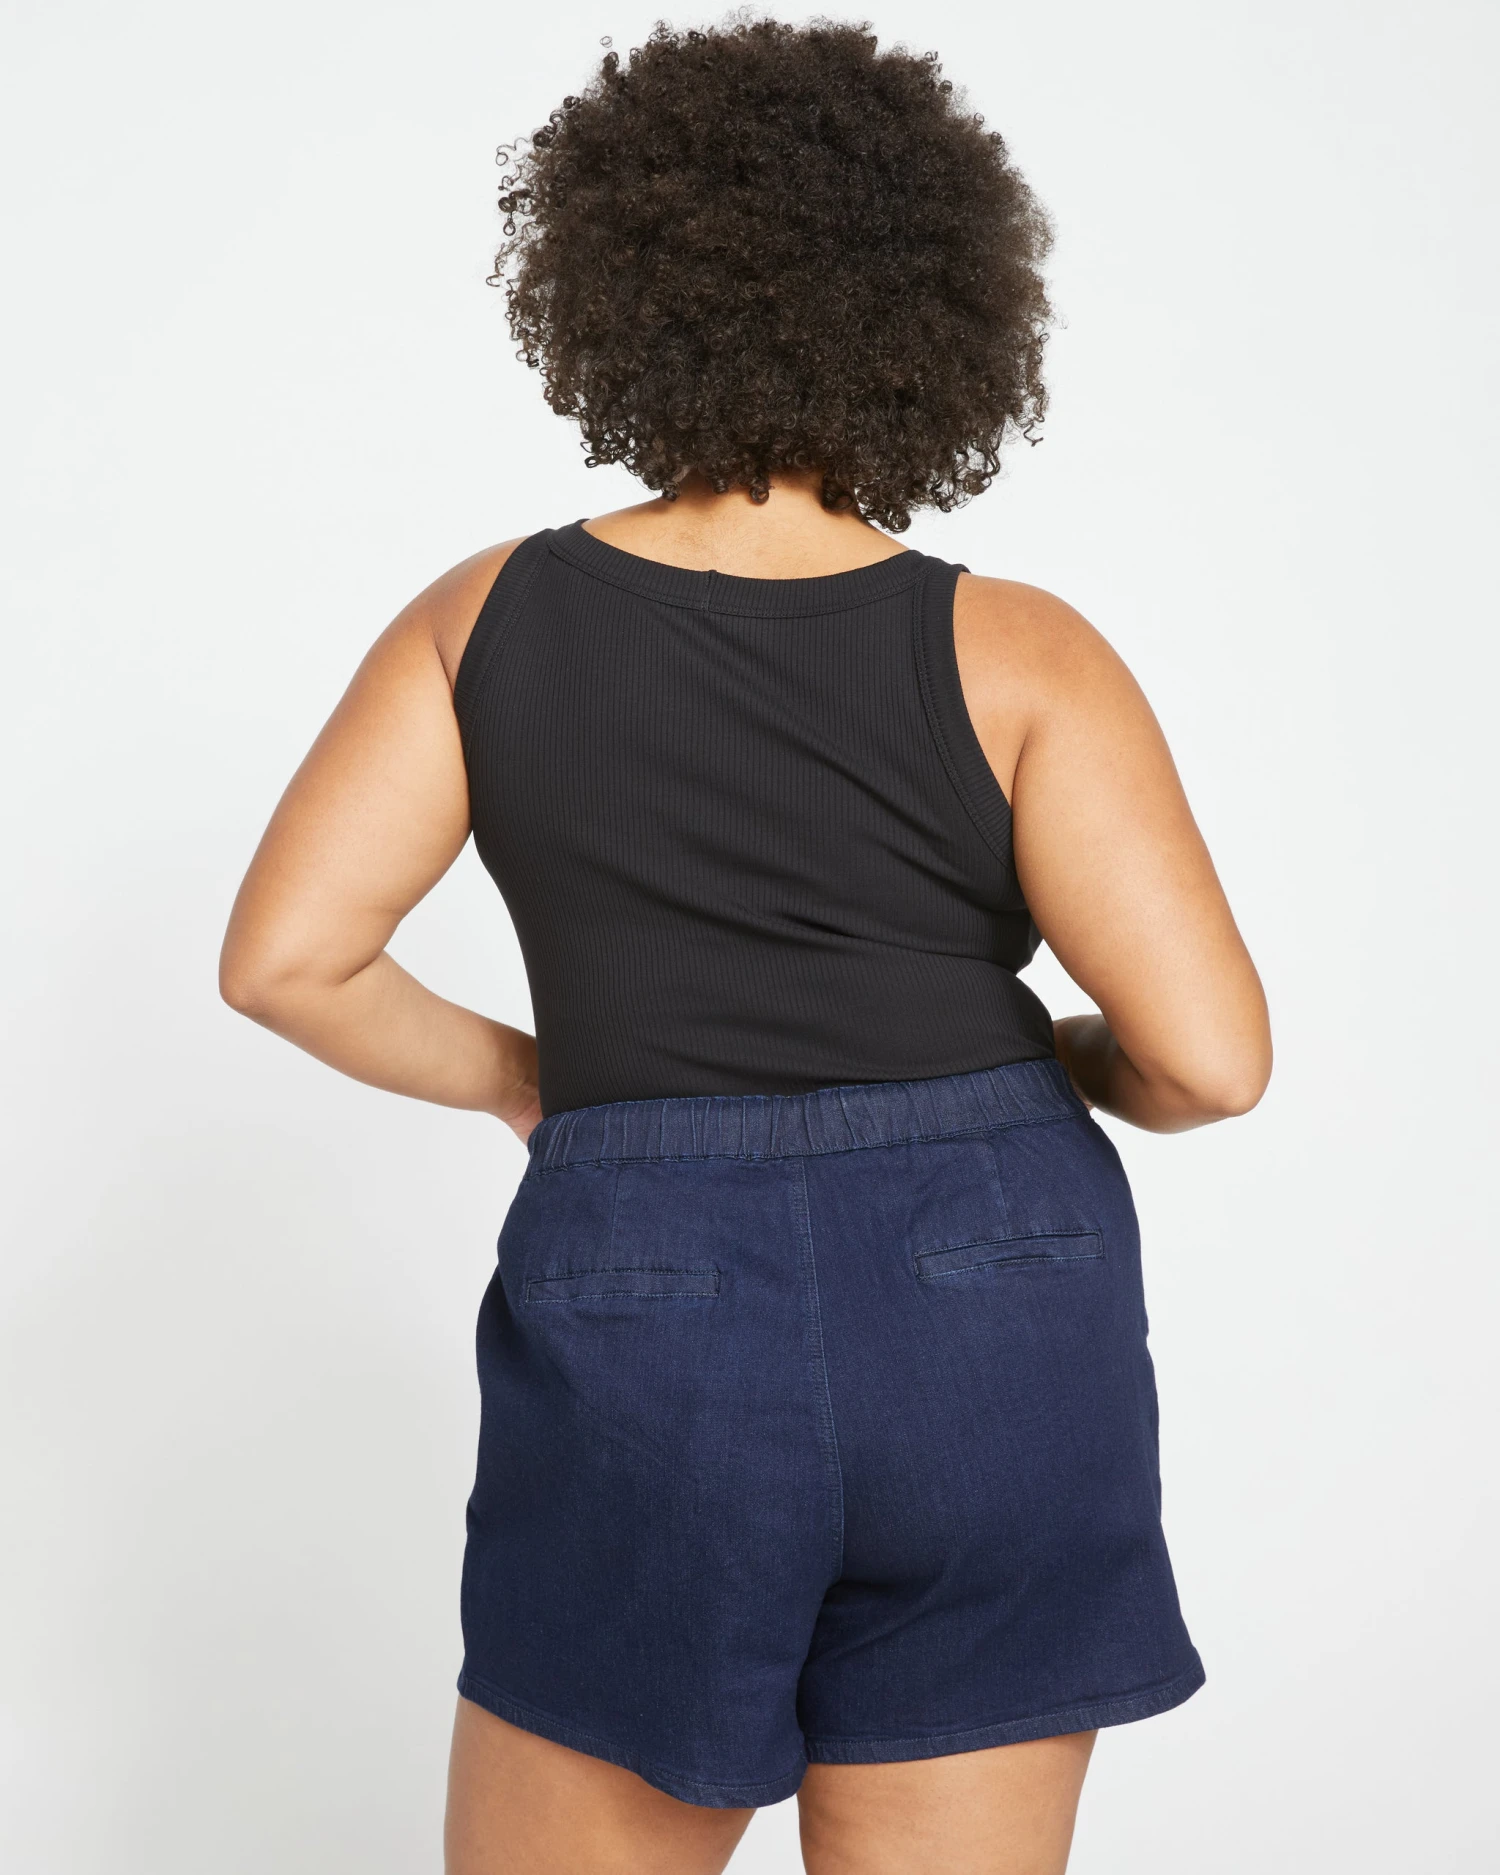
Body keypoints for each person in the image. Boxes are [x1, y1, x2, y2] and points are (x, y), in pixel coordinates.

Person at [219, 18, 1271, 1874]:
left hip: (651, 1293)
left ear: (615, 290)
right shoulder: (1025, 650)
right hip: (1000, 1302)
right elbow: (1211, 1059)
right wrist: (1050, 1062)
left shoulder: (486, 620)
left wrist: (535, 1079)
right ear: (934, 311)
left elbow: (286, 957)